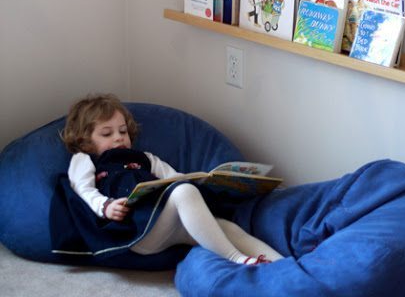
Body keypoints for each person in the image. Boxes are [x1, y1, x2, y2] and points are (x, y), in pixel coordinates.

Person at [52, 93, 283, 265]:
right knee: (183, 192)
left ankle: (281, 263)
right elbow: (81, 189)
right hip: (137, 231)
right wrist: (105, 206)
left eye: (122, 131)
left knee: (224, 227)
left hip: (169, 225)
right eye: (107, 133)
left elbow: (175, 178)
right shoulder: (86, 159)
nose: (118, 138)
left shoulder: (145, 158)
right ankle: (239, 260)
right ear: (84, 139)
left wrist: (209, 183)